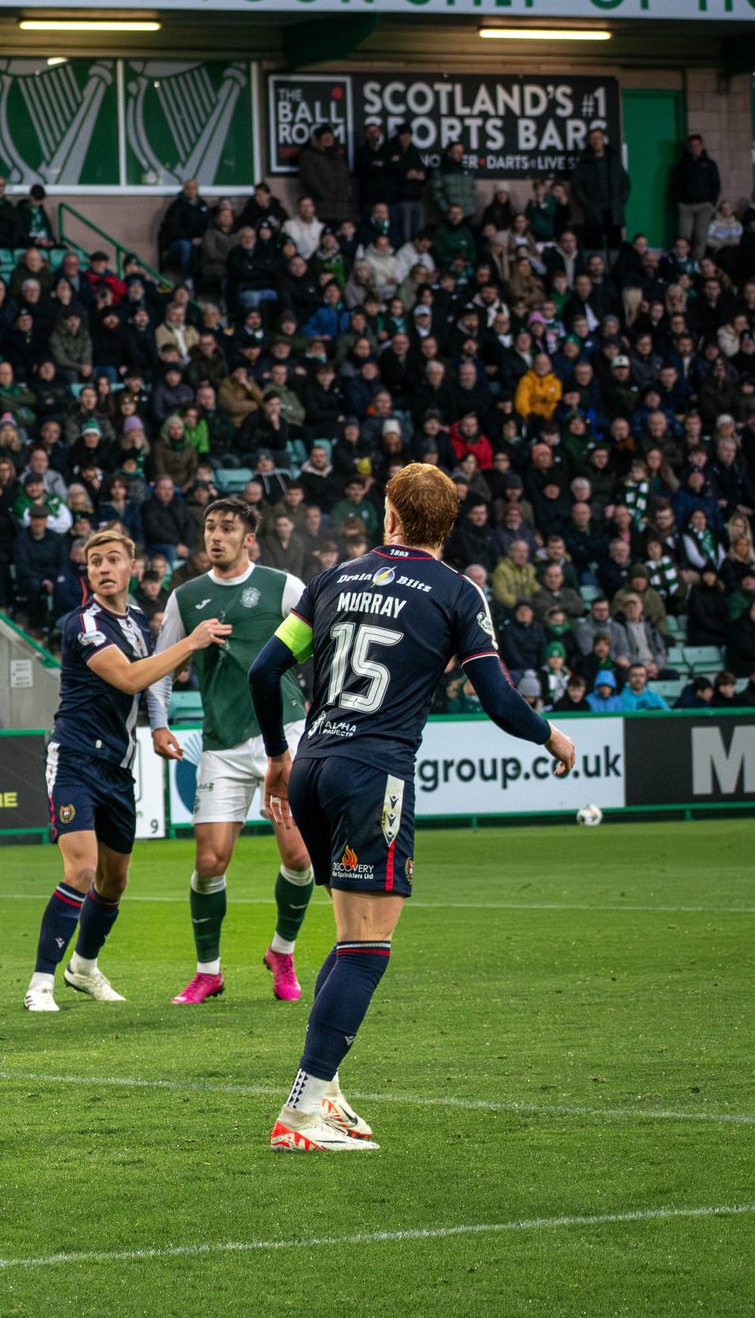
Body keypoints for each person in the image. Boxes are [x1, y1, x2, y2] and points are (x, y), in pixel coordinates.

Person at [248, 462, 576, 1151]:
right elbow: (499, 700)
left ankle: (327, 1095)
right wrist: (551, 735)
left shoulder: (334, 579)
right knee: (369, 949)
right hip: (375, 773)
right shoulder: (458, 592)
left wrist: (278, 752)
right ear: (448, 524)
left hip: (311, 763)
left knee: (348, 936)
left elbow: (264, 668)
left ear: (390, 516)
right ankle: (300, 1112)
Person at [28, 528, 232, 1012]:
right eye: (94, 560)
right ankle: (40, 984)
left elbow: (148, 688)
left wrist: (159, 727)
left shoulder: (139, 622)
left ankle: (84, 968)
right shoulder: (83, 624)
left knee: (114, 882)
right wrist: (192, 641)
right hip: (75, 758)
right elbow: (130, 676)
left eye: (112, 559)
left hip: (118, 767)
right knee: (81, 870)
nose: (101, 567)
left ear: (131, 568)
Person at [149, 500, 315, 1005]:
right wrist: (158, 723)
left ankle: (281, 953)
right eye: (209, 527)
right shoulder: (187, 598)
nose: (215, 536)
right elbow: (159, 666)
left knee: (301, 856)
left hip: (282, 738)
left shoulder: (282, 586)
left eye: (227, 528)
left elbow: (324, 645)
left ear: (249, 537)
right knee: (210, 863)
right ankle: (209, 972)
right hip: (220, 744)